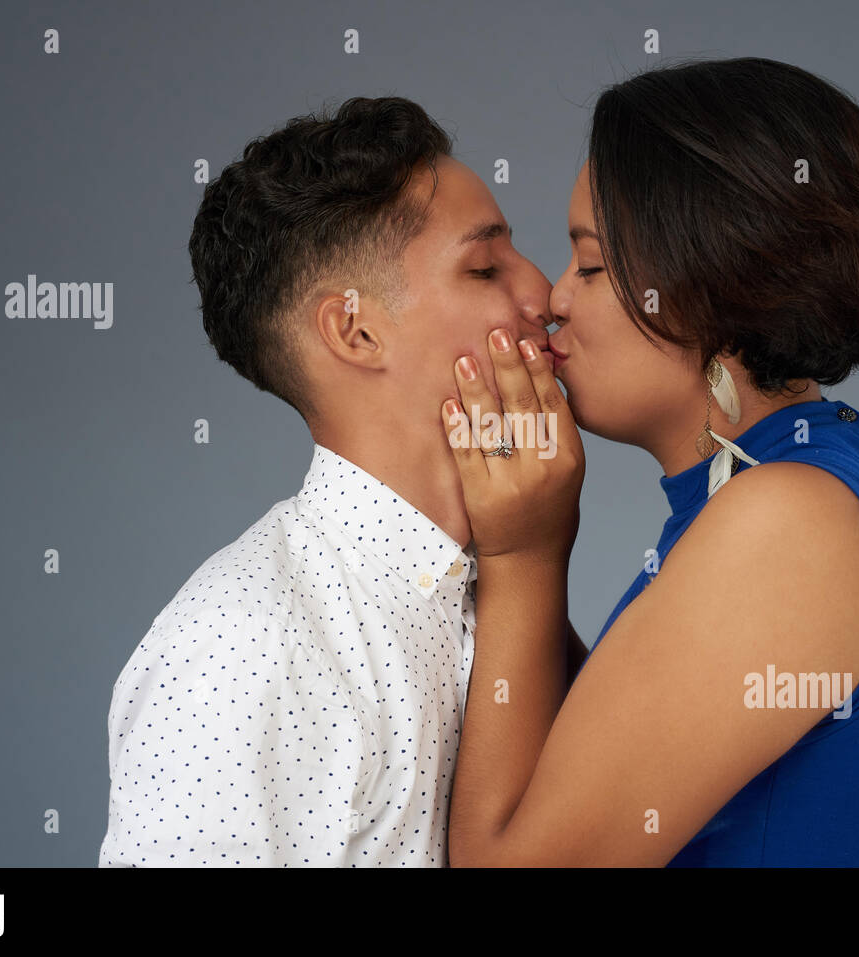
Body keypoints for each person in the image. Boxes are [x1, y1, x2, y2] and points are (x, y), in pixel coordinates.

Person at [440, 57, 859, 866]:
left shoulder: (792, 522)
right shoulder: (806, 473)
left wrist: (526, 552)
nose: (556, 299)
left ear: (714, 279)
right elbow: (587, 776)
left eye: (594, 265)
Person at [99, 96, 585, 866]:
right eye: (486, 266)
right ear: (356, 331)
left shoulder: (500, 585)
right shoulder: (239, 646)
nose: (546, 297)